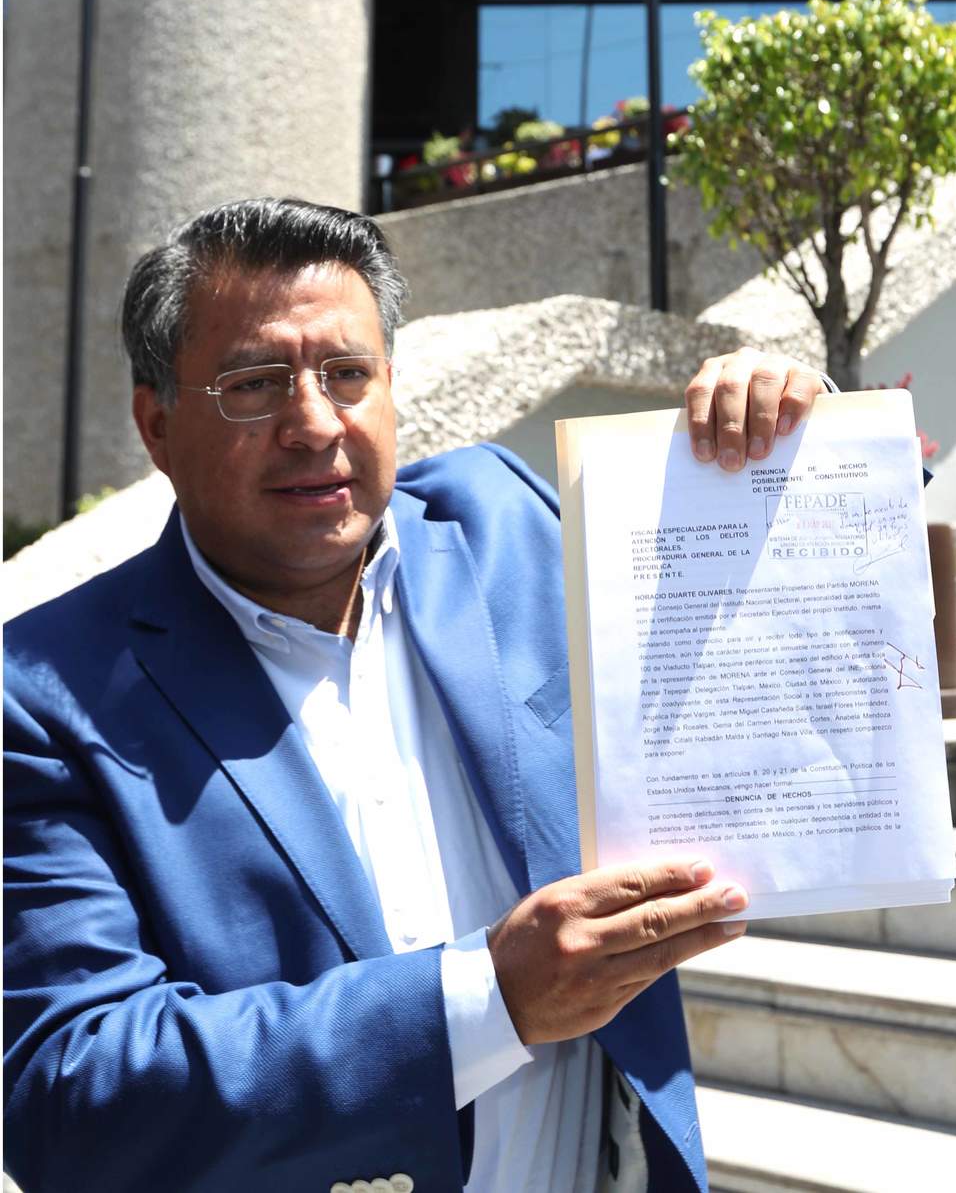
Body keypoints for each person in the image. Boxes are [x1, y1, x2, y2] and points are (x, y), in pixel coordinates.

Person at [4, 197, 828, 1193]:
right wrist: (486, 999)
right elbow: (72, 1094)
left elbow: (755, 662)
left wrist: (781, 436)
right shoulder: (46, 696)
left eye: (347, 373)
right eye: (254, 384)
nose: (315, 423)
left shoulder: (504, 521)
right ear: (157, 425)